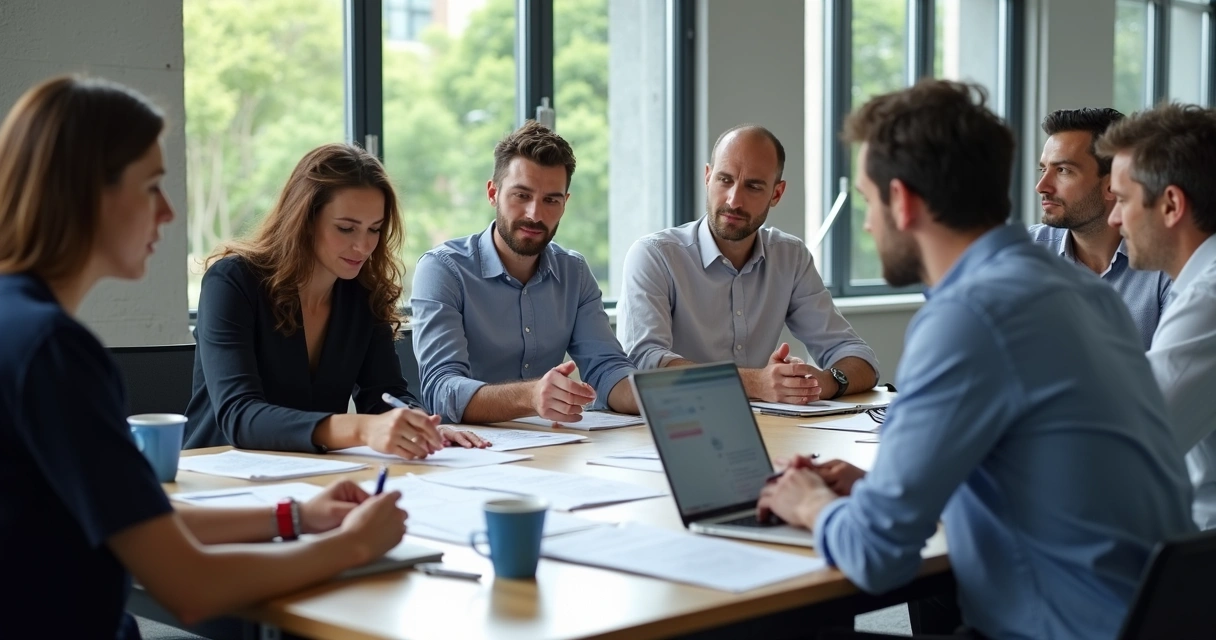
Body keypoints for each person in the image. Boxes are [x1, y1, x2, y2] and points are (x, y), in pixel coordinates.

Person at [755, 80, 1195, 639]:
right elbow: (1035, 465)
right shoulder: (1079, 291)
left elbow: (875, 554)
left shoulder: (967, 316)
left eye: (868, 200)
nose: (867, 224)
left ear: (904, 201)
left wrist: (810, 501)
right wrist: (875, 488)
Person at [0, 76, 408, 639]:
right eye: (151, 187)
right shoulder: (54, 353)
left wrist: (296, 516)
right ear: (87, 192)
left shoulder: (17, 325)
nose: (167, 212)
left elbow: (136, 517)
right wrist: (353, 545)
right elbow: (189, 586)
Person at [184, 142, 487, 456]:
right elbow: (239, 416)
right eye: (346, 228)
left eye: (375, 229)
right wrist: (361, 428)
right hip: (219, 473)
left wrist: (419, 424)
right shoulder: (233, 281)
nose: (363, 246)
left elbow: (384, 394)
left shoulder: (364, 294)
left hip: (316, 474)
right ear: (304, 219)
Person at [617, 125, 879, 404]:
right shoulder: (655, 256)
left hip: (768, 427)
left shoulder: (790, 257)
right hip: (676, 426)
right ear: (708, 177)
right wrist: (755, 383)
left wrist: (817, 383)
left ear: (776, 194)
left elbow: (857, 356)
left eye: (753, 186)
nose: (734, 200)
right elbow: (643, 363)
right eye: (724, 180)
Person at [410, 121, 638, 424]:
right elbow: (441, 390)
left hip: (554, 447)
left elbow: (607, 369)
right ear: (493, 193)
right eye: (521, 195)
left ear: (565, 203)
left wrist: (660, 400)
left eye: (551, 200)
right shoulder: (442, 270)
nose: (535, 214)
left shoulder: (575, 272)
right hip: (467, 453)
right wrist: (530, 396)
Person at [1100, 104, 1216, 530]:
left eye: (1123, 200)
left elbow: (1127, 442)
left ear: (1170, 205)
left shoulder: (1209, 298)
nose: (1114, 218)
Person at [1029, 107, 1170, 349]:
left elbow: (1173, 375)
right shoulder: (1026, 254)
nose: (1042, 186)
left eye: (1063, 170)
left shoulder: (1165, 261)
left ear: (1113, 184)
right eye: (1044, 169)